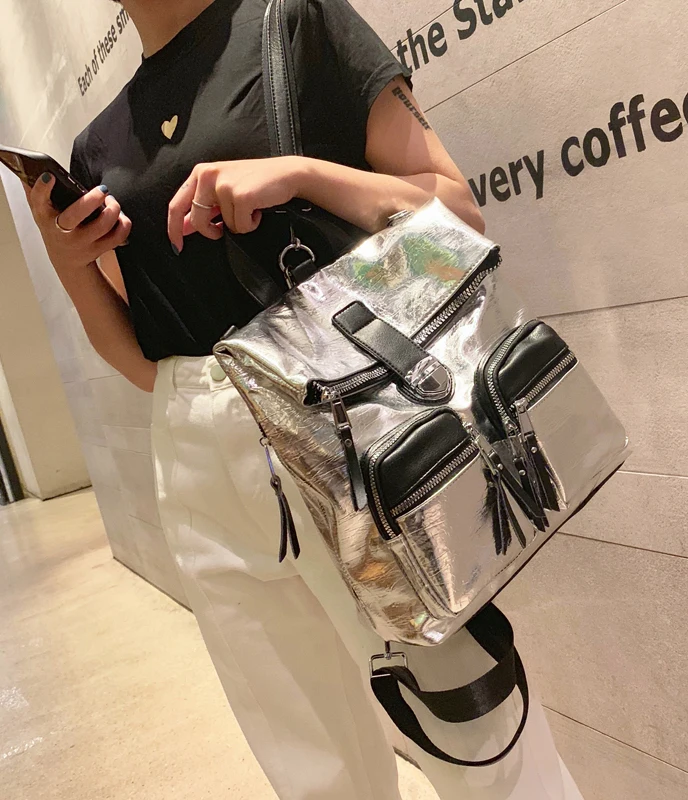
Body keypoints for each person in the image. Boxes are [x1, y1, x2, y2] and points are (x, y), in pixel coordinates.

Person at [26, 1, 585, 798]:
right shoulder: (100, 145)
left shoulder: (288, 20)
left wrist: (300, 175)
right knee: (312, 763)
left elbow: (456, 216)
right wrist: (69, 261)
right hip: (198, 449)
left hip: (349, 425)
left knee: (475, 731)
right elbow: (146, 363)